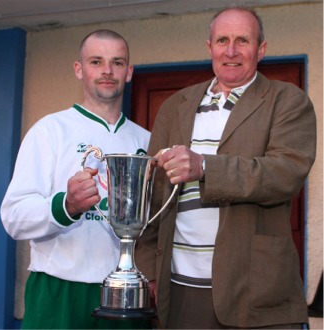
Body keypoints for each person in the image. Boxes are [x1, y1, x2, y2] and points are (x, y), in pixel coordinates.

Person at [135, 6, 316, 330]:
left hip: (256, 292)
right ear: (210, 47)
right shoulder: (175, 106)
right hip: (178, 289)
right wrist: (148, 267)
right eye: (222, 40)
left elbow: (284, 173)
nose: (231, 51)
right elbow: (153, 192)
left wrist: (204, 167)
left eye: (242, 40)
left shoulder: (287, 100)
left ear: (261, 49)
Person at [1, 29, 151, 329]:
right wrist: (66, 206)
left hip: (127, 294)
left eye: (117, 62)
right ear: (79, 69)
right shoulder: (50, 131)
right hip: (59, 290)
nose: (107, 71)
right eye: (96, 61)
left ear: (129, 72)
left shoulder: (146, 141)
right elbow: (13, 218)